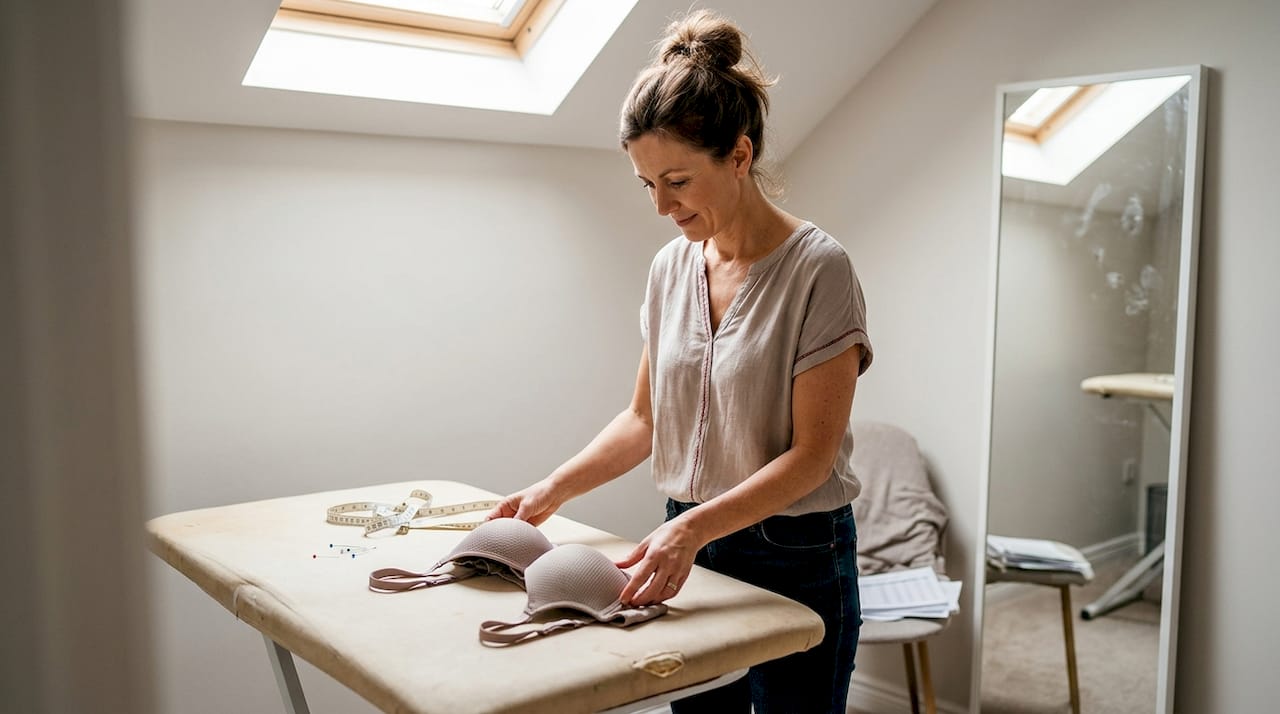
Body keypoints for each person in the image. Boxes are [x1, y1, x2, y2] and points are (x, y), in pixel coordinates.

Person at [487, 9, 872, 713]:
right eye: (647, 185)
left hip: (795, 554)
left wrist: (690, 529)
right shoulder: (671, 268)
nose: (661, 206)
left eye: (678, 181)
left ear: (739, 156)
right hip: (685, 543)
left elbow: (813, 458)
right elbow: (644, 419)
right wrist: (554, 489)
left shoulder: (820, 269)